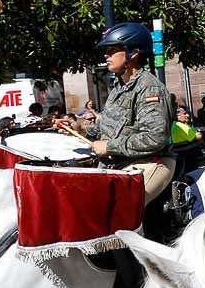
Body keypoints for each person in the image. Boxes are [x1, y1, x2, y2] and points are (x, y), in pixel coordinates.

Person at [57, 23, 175, 206]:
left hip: (152, 162)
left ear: (133, 53)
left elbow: (156, 137)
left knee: (119, 209)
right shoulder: (119, 87)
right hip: (119, 164)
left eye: (112, 50)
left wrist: (110, 146)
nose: (106, 56)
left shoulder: (149, 88)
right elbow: (107, 129)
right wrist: (80, 129)